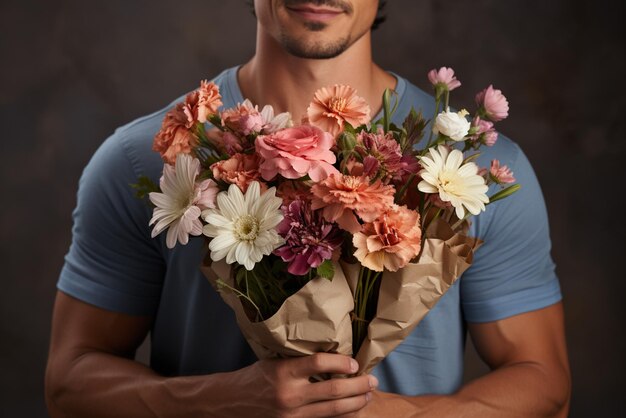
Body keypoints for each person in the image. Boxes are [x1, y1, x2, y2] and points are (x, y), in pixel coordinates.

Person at [45, 0, 571, 416]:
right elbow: (70, 383)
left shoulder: (475, 166)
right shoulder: (142, 160)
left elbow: (544, 383)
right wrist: (213, 404)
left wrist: (406, 417)